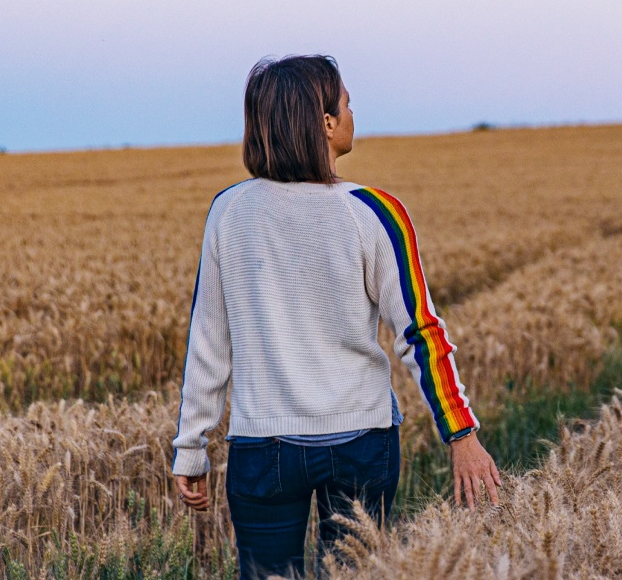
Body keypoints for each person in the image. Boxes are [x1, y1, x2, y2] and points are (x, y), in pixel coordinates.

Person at [171, 54, 501, 579]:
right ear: (325, 123)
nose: (352, 112)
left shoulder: (228, 211)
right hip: (361, 442)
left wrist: (191, 448)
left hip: (263, 449)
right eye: (346, 102)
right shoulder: (375, 212)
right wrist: (461, 435)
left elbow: (208, 341)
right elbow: (419, 332)